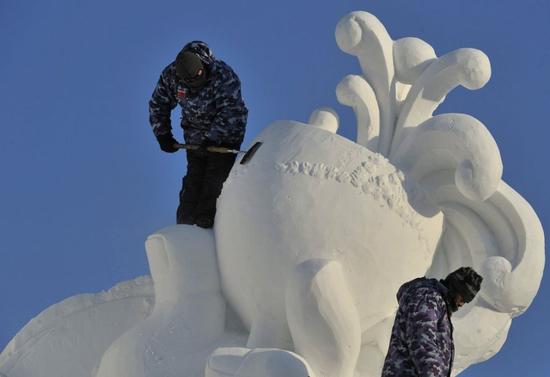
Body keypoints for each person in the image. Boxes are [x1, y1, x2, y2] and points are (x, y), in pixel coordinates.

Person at [149, 41, 248, 228]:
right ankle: (185, 226)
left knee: (215, 178)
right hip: (195, 134)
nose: (195, 84)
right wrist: (163, 134)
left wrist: (212, 138)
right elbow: (157, 104)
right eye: (189, 82)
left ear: (203, 67)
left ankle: (208, 221)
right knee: (195, 177)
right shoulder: (171, 76)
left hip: (226, 134)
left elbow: (232, 111)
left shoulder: (223, 77)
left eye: (198, 78)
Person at [382, 267, 483, 377]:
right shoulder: (428, 297)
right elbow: (422, 339)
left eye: (466, 301)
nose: (462, 304)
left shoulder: (438, 303)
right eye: (463, 298)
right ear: (456, 287)